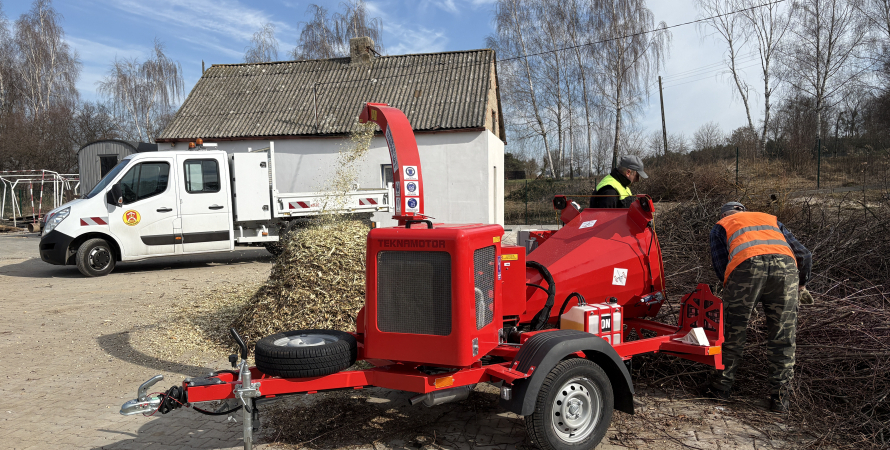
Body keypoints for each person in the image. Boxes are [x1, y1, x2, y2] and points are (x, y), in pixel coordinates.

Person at [706, 202, 812, 412]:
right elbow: (805, 255)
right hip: (787, 269)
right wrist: (801, 284)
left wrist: (736, 292)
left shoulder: (721, 225)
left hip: (746, 267)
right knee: (783, 335)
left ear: (724, 214)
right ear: (745, 212)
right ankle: (780, 400)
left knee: (732, 332)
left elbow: (721, 267)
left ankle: (721, 390)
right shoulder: (771, 220)